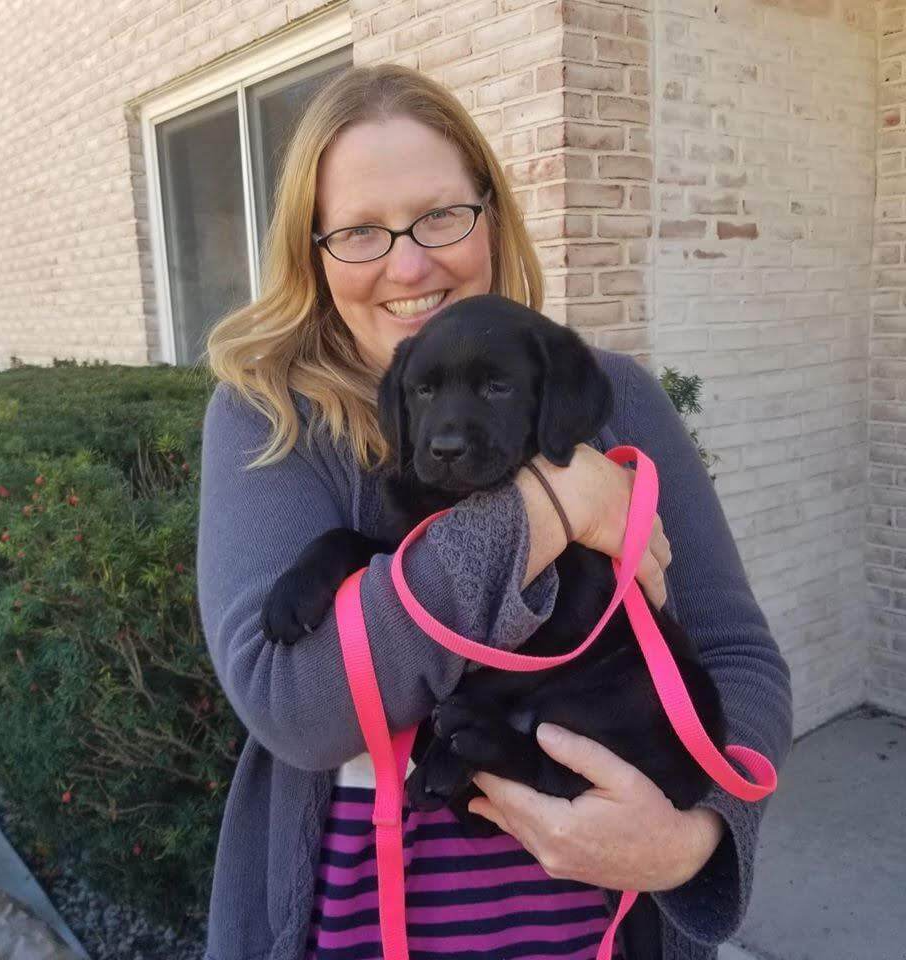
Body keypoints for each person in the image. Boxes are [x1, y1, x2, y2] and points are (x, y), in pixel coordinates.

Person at [197, 64, 792, 960]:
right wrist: (549, 504)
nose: (409, 262)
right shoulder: (271, 417)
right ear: (313, 253)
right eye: (360, 230)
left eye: (440, 215)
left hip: (600, 932)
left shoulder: (615, 396)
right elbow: (297, 705)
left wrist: (696, 840)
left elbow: (738, 658)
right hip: (354, 930)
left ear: (492, 215)